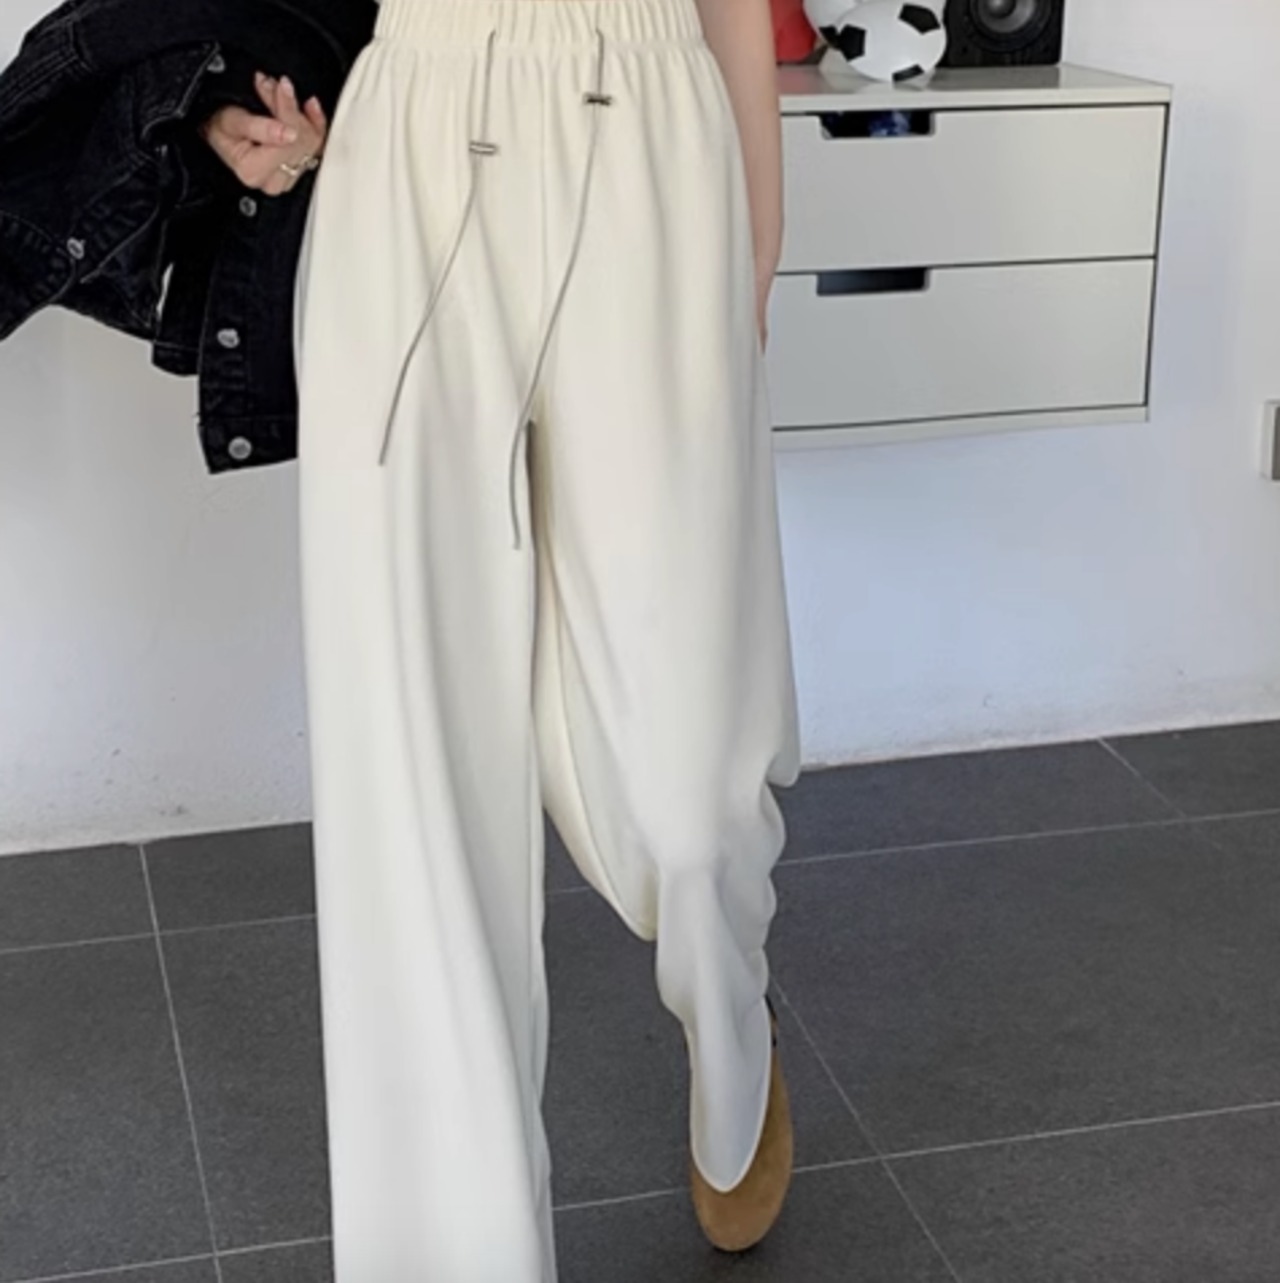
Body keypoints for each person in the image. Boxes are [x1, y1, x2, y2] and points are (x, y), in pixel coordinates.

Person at [205, 0, 800, 1277]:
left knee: (688, 785)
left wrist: (757, 242)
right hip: (406, 134)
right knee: (412, 778)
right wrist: (222, 106)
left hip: (652, 123)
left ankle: (732, 1010)